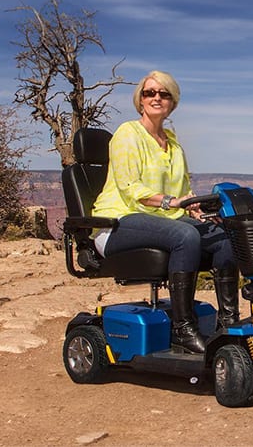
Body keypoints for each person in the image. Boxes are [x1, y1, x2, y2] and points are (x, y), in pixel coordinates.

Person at [90, 70, 241, 354]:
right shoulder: (127, 134)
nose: (156, 98)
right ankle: (183, 328)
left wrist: (193, 207)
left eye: (164, 93)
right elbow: (130, 187)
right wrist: (169, 202)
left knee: (223, 236)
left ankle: (228, 323)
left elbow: (184, 188)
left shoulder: (172, 144)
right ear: (140, 99)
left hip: (161, 223)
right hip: (117, 223)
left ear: (173, 101)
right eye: (150, 93)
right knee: (185, 236)